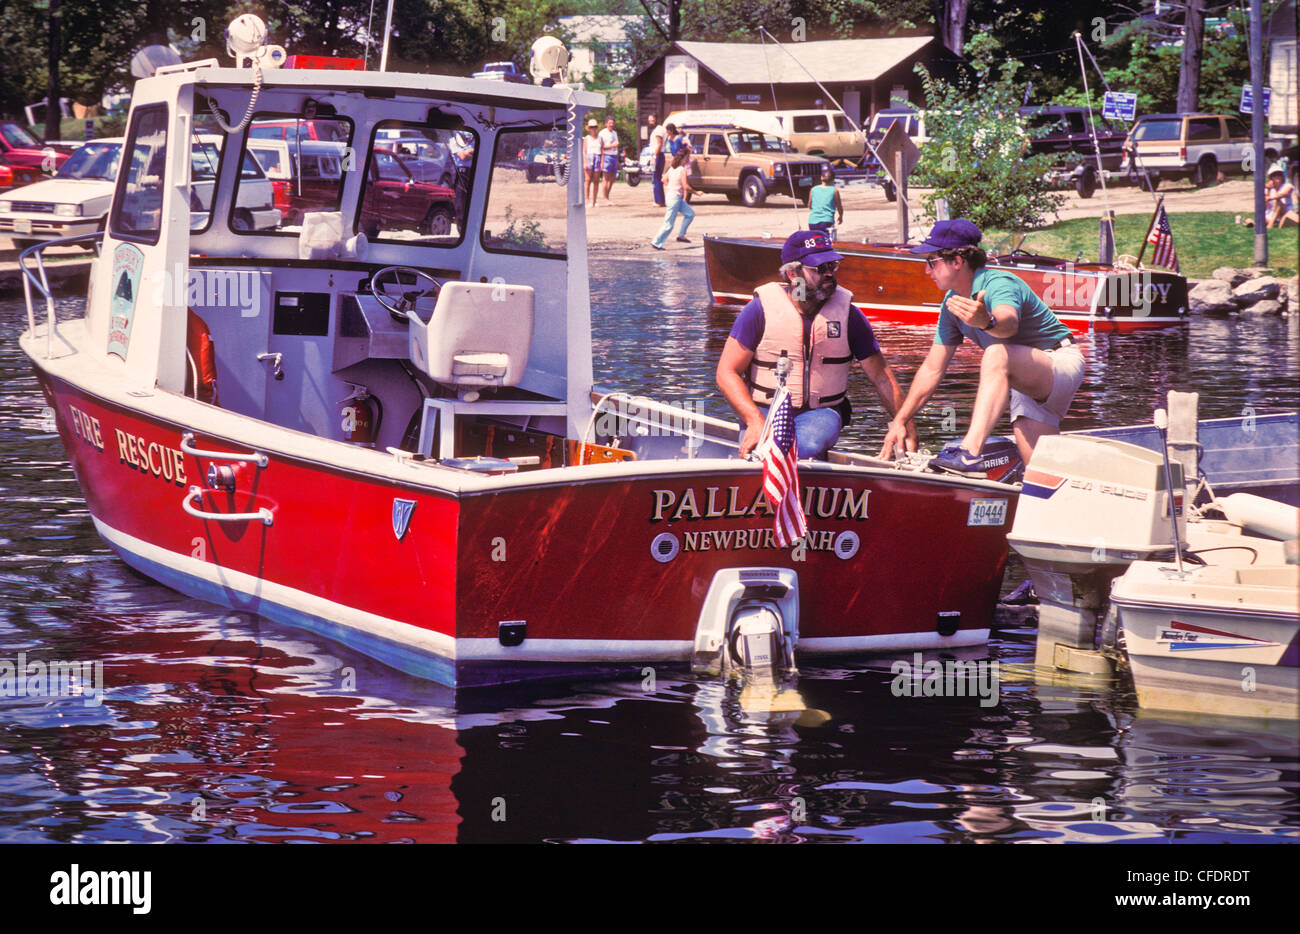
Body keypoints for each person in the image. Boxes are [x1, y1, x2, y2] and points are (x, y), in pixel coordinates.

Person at [878, 219, 1085, 474]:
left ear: (957, 261)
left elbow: (1008, 322)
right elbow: (932, 370)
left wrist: (986, 322)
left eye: (932, 262)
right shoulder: (952, 303)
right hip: (1024, 378)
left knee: (996, 353)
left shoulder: (998, 283)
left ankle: (969, 452)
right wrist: (900, 420)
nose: (927, 271)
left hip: (1059, 362)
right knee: (1042, 477)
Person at [717, 229, 916, 460]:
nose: (829, 274)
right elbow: (726, 372)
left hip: (821, 413)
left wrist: (907, 428)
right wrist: (754, 420)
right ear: (792, 274)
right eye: (820, 269)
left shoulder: (849, 316)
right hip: (764, 410)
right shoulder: (758, 311)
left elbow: (881, 376)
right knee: (764, 449)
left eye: (832, 266)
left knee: (806, 446)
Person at [650, 149, 696, 250]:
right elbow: (686, 186)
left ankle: (681, 235)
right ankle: (656, 242)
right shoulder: (681, 170)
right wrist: (697, 192)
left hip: (675, 197)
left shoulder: (672, 168)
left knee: (690, 214)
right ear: (683, 159)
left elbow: (663, 179)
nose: (688, 160)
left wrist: (671, 187)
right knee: (668, 223)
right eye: (687, 158)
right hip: (674, 198)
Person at [807, 166, 843, 234]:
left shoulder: (813, 189)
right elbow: (839, 206)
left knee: (815, 240)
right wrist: (840, 216)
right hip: (827, 220)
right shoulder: (835, 191)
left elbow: (809, 205)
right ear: (833, 180)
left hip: (812, 221)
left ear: (821, 178)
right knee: (826, 241)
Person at [1265, 164, 1297, 228]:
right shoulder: (1268, 189)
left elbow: (1284, 194)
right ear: (1270, 178)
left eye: (1279, 174)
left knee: (1279, 201)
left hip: (1285, 212)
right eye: (1274, 175)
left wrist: (1270, 198)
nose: (1277, 176)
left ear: (1282, 176)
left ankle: (1271, 223)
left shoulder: (1288, 186)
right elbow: (1265, 206)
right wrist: (1268, 190)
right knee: (1259, 217)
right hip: (1271, 213)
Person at [597, 117, 619, 204]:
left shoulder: (614, 133)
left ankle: (607, 196)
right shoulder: (602, 133)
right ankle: (605, 198)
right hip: (606, 156)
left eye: (613, 123)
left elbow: (617, 145)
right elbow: (601, 147)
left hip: (614, 156)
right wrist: (612, 146)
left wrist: (617, 160)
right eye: (610, 123)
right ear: (606, 123)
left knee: (613, 178)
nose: (611, 124)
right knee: (605, 178)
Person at [648, 115, 667, 207]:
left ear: (656, 120)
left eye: (652, 120)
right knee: (657, 178)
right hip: (658, 155)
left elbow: (659, 144)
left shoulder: (659, 130)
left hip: (658, 155)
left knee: (656, 178)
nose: (650, 122)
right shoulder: (657, 129)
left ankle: (658, 201)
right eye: (649, 120)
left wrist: (654, 157)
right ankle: (660, 200)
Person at [582, 119, 601, 208]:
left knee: (596, 180)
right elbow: (584, 151)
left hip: (597, 157)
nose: (593, 129)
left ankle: (594, 200)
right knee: (588, 180)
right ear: (589, 128)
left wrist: (602, 163)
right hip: (589, 157)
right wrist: (585, 162)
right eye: (591, 127)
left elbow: (603, 150)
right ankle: (587, 199)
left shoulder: (600, 138)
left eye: (594, 127)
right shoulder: (586, 138)